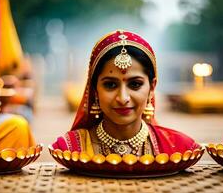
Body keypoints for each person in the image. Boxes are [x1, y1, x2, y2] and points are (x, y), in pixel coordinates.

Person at [52, 30, 200, 157]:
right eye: (110, 85)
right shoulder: (69, 149)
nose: (123, 98)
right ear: (95, 90)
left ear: (152, 88)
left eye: (135, 84)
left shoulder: (180, 149)